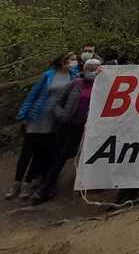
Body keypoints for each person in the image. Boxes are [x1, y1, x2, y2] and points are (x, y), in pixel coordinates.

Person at [5, 52, 78, 200]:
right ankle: (16, 183)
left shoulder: (74, 76)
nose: (74, 62)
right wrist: (23, 115)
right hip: (38, 116)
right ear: (63, 61)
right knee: (27, 151)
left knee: (41, 153)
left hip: (55, 119)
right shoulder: (48, 75)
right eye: (72, 59)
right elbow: (33, 95)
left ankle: (28, 183)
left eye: (75, 60)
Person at [31, 59, 102, 204]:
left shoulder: (101, 85)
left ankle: (90, 184)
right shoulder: (76, 83)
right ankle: (45, 189)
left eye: (95, 68)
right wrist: (61, 115)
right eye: (89, 67)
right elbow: (59, 102)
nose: (92, 70)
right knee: (60, 157)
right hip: (68, 126)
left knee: (87, 155)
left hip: (88, 127)